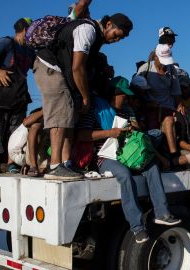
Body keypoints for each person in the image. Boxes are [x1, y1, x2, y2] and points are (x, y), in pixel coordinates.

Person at [34, 13, 133, 180]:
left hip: (63, 74)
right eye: (116, 35)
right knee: (60, 116)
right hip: (50, 68)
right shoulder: (88, 30)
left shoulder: (96, 38)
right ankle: (55, 166)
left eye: (120, 39)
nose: (116, 40)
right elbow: (77, 68)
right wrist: (85, 97)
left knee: (69, 118)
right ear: (108, 24)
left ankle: (66, 164)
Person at [77, 97, 181, 244]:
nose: (125, 99)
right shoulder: (96, 110)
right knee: (125, 175)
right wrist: (109, 133)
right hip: (105, 156)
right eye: (123, 95)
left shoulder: (127, 110)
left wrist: (133, 129)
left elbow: (137, 131)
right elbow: (82, 135)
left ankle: (162, 213)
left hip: (127, 153)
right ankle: (137, 227)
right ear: (115, 95)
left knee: (152, 167)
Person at [0, 18, 35, 174]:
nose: (31, 36)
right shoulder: (6, 43)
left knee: (15, 130)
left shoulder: (30, 50)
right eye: (30, 31)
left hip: (18, 95)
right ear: (23, 30)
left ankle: (11, 163)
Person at [132, 44, 182, 159]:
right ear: (155, 57)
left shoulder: (171, 69)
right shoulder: (146, 68)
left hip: (168, 107)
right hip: (150, 109)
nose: (165, 64)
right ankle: (165, 156)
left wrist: (179, 107)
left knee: (170, 121)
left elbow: (176, 91)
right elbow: (136, 91)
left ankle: (173, 156)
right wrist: (146, 104)